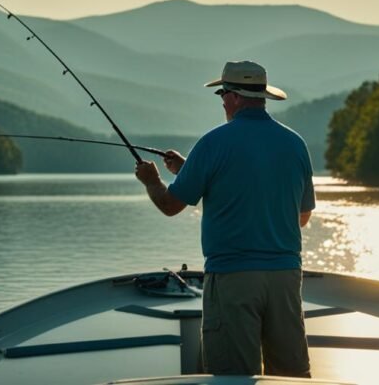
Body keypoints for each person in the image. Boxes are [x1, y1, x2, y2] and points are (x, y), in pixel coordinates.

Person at [135, 60, 315, 377]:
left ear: (233, 97)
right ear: (262, 97)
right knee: (291, 378)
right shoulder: (295, 144)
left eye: (222, 94)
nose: (221, 101)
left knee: (232, 377)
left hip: (233, 280)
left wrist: (152, 180)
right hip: (285, 279)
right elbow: (301, 216)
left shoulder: (213, 143)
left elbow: (170, 205)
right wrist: (189, 170)